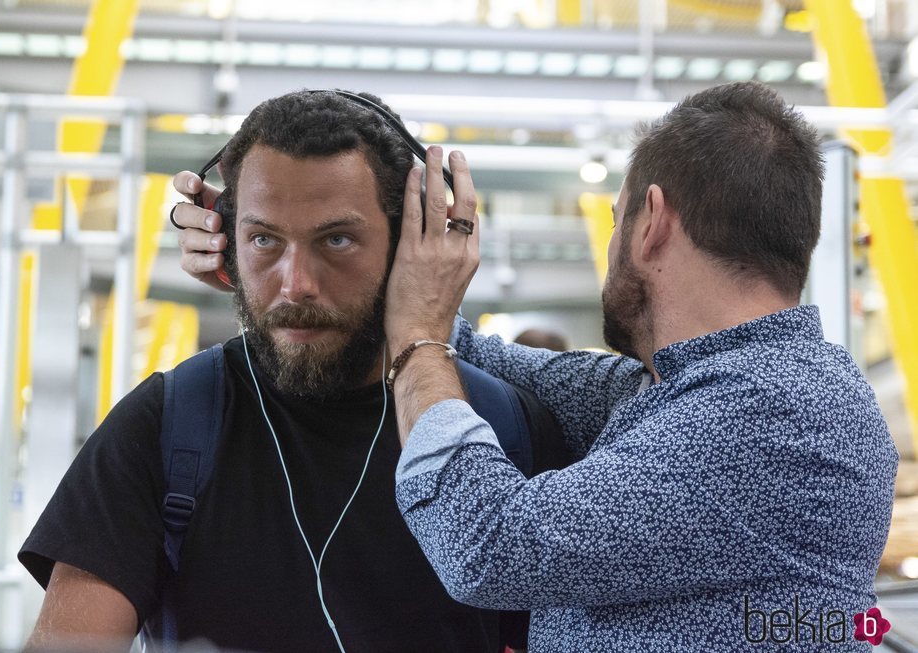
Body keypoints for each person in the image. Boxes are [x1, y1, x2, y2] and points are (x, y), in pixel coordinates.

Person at [18, 90, 568, 653]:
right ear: (226, 244)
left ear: (412, 241)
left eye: (337, 239)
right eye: (263, 239)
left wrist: (422, 333)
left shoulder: (506, 430)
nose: (295, 282)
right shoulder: (166, 425)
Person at [379, 80, 899, 650]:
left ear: (652, 223)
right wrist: (405, 296)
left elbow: (487, 545)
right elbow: (512, 367)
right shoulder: (703, 385)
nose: (609, 249)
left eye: (615, 220)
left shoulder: (777, 408)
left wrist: (418, 344)